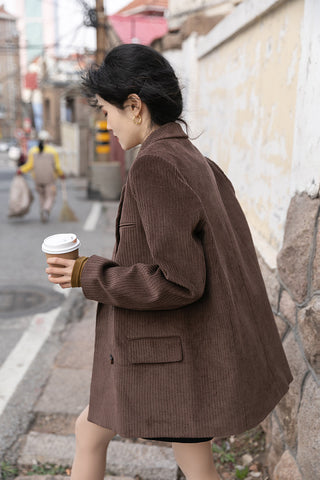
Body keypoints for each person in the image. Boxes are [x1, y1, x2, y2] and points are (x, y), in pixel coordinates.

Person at [45, 44, 292, 480]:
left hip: (177, 360)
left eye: (107, 111)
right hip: (187, 351)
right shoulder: (195, 158)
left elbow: (179, 282)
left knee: (189, 466)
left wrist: (87, 272)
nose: (107, 123)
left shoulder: (154, 166)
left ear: (135, 107)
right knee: (90, 431)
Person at [18, 133, 64, 222]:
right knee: (50, 196)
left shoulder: (33, 151)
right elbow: (57, 167)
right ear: (48, 140)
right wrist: (61, 174)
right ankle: (46, 209)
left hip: (37, 178)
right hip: (49, 178)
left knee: (41, 195)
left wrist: (21, 170)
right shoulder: (53, 151)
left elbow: (29, 165)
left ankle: (43, 209)